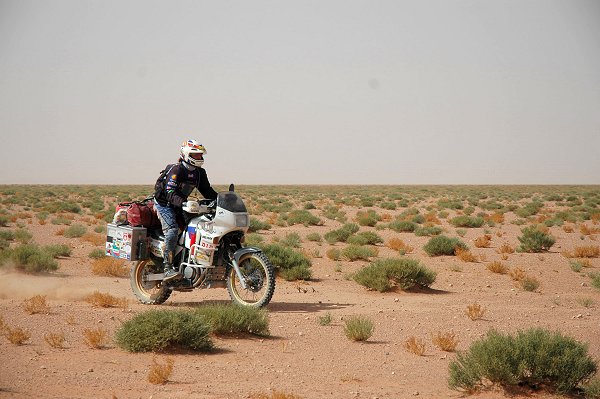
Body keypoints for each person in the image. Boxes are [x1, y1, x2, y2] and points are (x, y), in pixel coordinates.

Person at [153, 139, 218, 281]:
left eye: (200, 155)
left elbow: (208, 191)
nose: (199, 158)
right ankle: (167, 266)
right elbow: (169, 192)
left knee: (199, 226)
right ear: (186, 154)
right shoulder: (177, 169)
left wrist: (221, 200)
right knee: (172, 230)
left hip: (182, 204)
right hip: (165, 204)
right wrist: (184, 203)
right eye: (195, 155)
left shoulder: (199, 173)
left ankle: (188, 258)